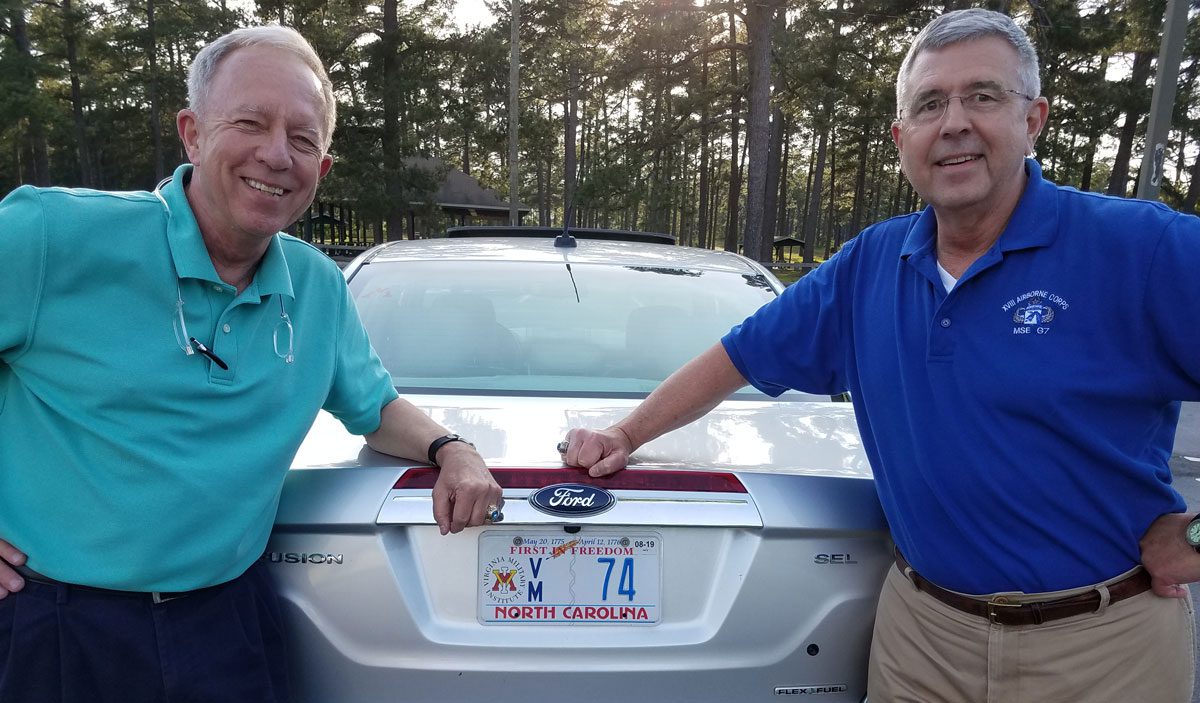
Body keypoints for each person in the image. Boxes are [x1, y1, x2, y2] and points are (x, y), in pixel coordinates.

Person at [560, 9, 1200, 702]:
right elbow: (736, 356)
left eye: (982, 95)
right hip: (923, 640)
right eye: (929, 104)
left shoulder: (1142, 250)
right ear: (903, 138)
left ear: (1034, 118)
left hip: (1101, 648)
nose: (953, 121)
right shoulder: (869, 264)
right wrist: (625, 433)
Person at [0, 25, 502, 703]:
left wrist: (455, 449)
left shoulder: (319, 287)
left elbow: (373, 407)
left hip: (228, 626)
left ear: (321, 171)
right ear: (192, 133)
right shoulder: (50, 237)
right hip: (54, 626)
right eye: (250, 122)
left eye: (302, 139)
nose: (276, 154)